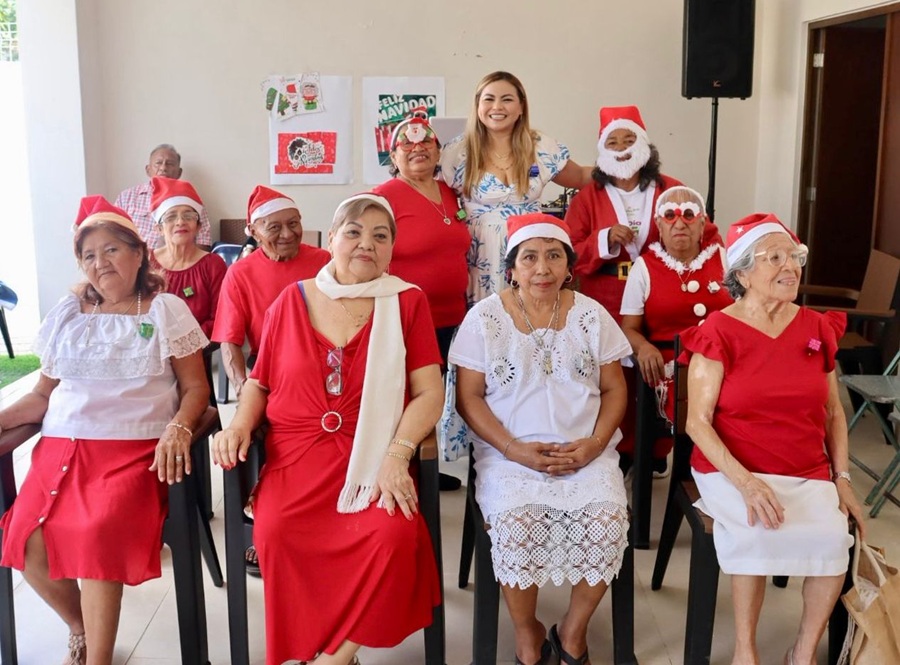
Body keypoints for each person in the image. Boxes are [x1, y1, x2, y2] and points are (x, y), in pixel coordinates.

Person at [212, 194, 444, 665]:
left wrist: (397, 455)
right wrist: (239, 423)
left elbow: (429, 393)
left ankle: (334, 658)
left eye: (381, 235)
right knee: (277, 533)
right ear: (332, 239)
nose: (366, 243)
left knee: (392, 537)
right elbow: (259, 382)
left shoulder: (407, 301)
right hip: (297, 458)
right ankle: (328, 648)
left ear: (392, 248)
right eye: (354, 232)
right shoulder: (290, 300)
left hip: (373, 455)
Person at [0, 196, 209, 665]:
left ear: (139, 254)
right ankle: (80, 627)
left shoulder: (164, 309)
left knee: (97, 535)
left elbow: (196, 388)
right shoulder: (68, 314)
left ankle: (98, 658)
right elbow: (41, 395)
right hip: (63, 447)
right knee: (25, 541)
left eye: (112, 249)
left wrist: (179, 427)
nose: (101, 263)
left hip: (134, 451)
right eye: (89, 255)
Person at [682, 213, 866, 665]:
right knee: (757, 530)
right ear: (743, 274)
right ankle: (745, 650)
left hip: (805, 467)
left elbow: (833, 411)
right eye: (775, 258)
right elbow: (697, 423)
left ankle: (802, 653)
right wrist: (746, 483)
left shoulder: (816, 327)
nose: (791, 267)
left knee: (832, 539)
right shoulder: (719, 330)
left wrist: (842, 478)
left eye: (795, 257)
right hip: (733, 466)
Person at [451, 213, 631, 665]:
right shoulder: (484, 318)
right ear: (512, 267)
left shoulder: (592, 315)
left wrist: (595, 444)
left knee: (608, 519)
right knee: (518, 523)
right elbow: (468, 398)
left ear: (569, 265)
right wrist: (513, 449)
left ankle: (572, 631)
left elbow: (615, 389)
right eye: (529, 258)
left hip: (586, 450)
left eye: (554, 256)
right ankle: (527, 634)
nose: (542, 269)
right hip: (508, 454)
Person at [373, 115, 471, 492]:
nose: (417, 149)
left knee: (434, 394)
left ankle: (423, 465)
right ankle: (396, 467)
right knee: (404, 395)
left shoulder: (450, 192)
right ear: (393, 156)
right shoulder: (382, 197)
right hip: (405, 318)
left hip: (451, 317)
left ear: (438, 151)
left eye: (426, 142)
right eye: (407, 144)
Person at [440, 71, 593, 306]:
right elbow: (431, 196)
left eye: (507, 99)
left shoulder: (539, 147)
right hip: (478, 256)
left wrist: (624, 166)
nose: (497, 107)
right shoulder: (457, 152)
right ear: (478, 105)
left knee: (531, 317)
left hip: (530, 252)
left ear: (521, 107)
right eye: (489, 99)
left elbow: (581, 176)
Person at [619, 186, 730, 468]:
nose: (679, 223)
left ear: (702, 223)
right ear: (659, 224)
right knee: (690, 402)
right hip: (671, 368)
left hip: (724, 364)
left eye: (689, 215)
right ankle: (694, 472)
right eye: (670, 215)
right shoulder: (644, 267)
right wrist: (643, 347)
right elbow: (628, 328)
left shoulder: (725, 259)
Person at [212, 185, 330, 400]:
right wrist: (243, 390)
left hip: (324, 365)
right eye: (274, 227)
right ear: (254, 232)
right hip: (268, 367)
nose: (287, 234)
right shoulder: (240, 273)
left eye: (293, 224)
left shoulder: (325, 262)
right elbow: (229, 340)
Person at [148, 176, 227, 337]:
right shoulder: (145, 262)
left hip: (200, 347)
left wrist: (185, 344)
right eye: (171, 217)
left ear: (198, 226)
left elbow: (220, 319)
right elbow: (135, 311)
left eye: (188, 216)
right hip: (152, 347)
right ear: (159, 228)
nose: (180, 222)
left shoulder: (213, 264)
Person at [114, 144, 212, 249]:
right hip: (133, 257)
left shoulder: (192, 201)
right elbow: (111, 233)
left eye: (170, 164)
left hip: (176, 258)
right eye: (158, 163)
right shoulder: (126, 198)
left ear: (179, 173)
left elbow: (203, 242)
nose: (163, 168)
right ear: (148, 170)